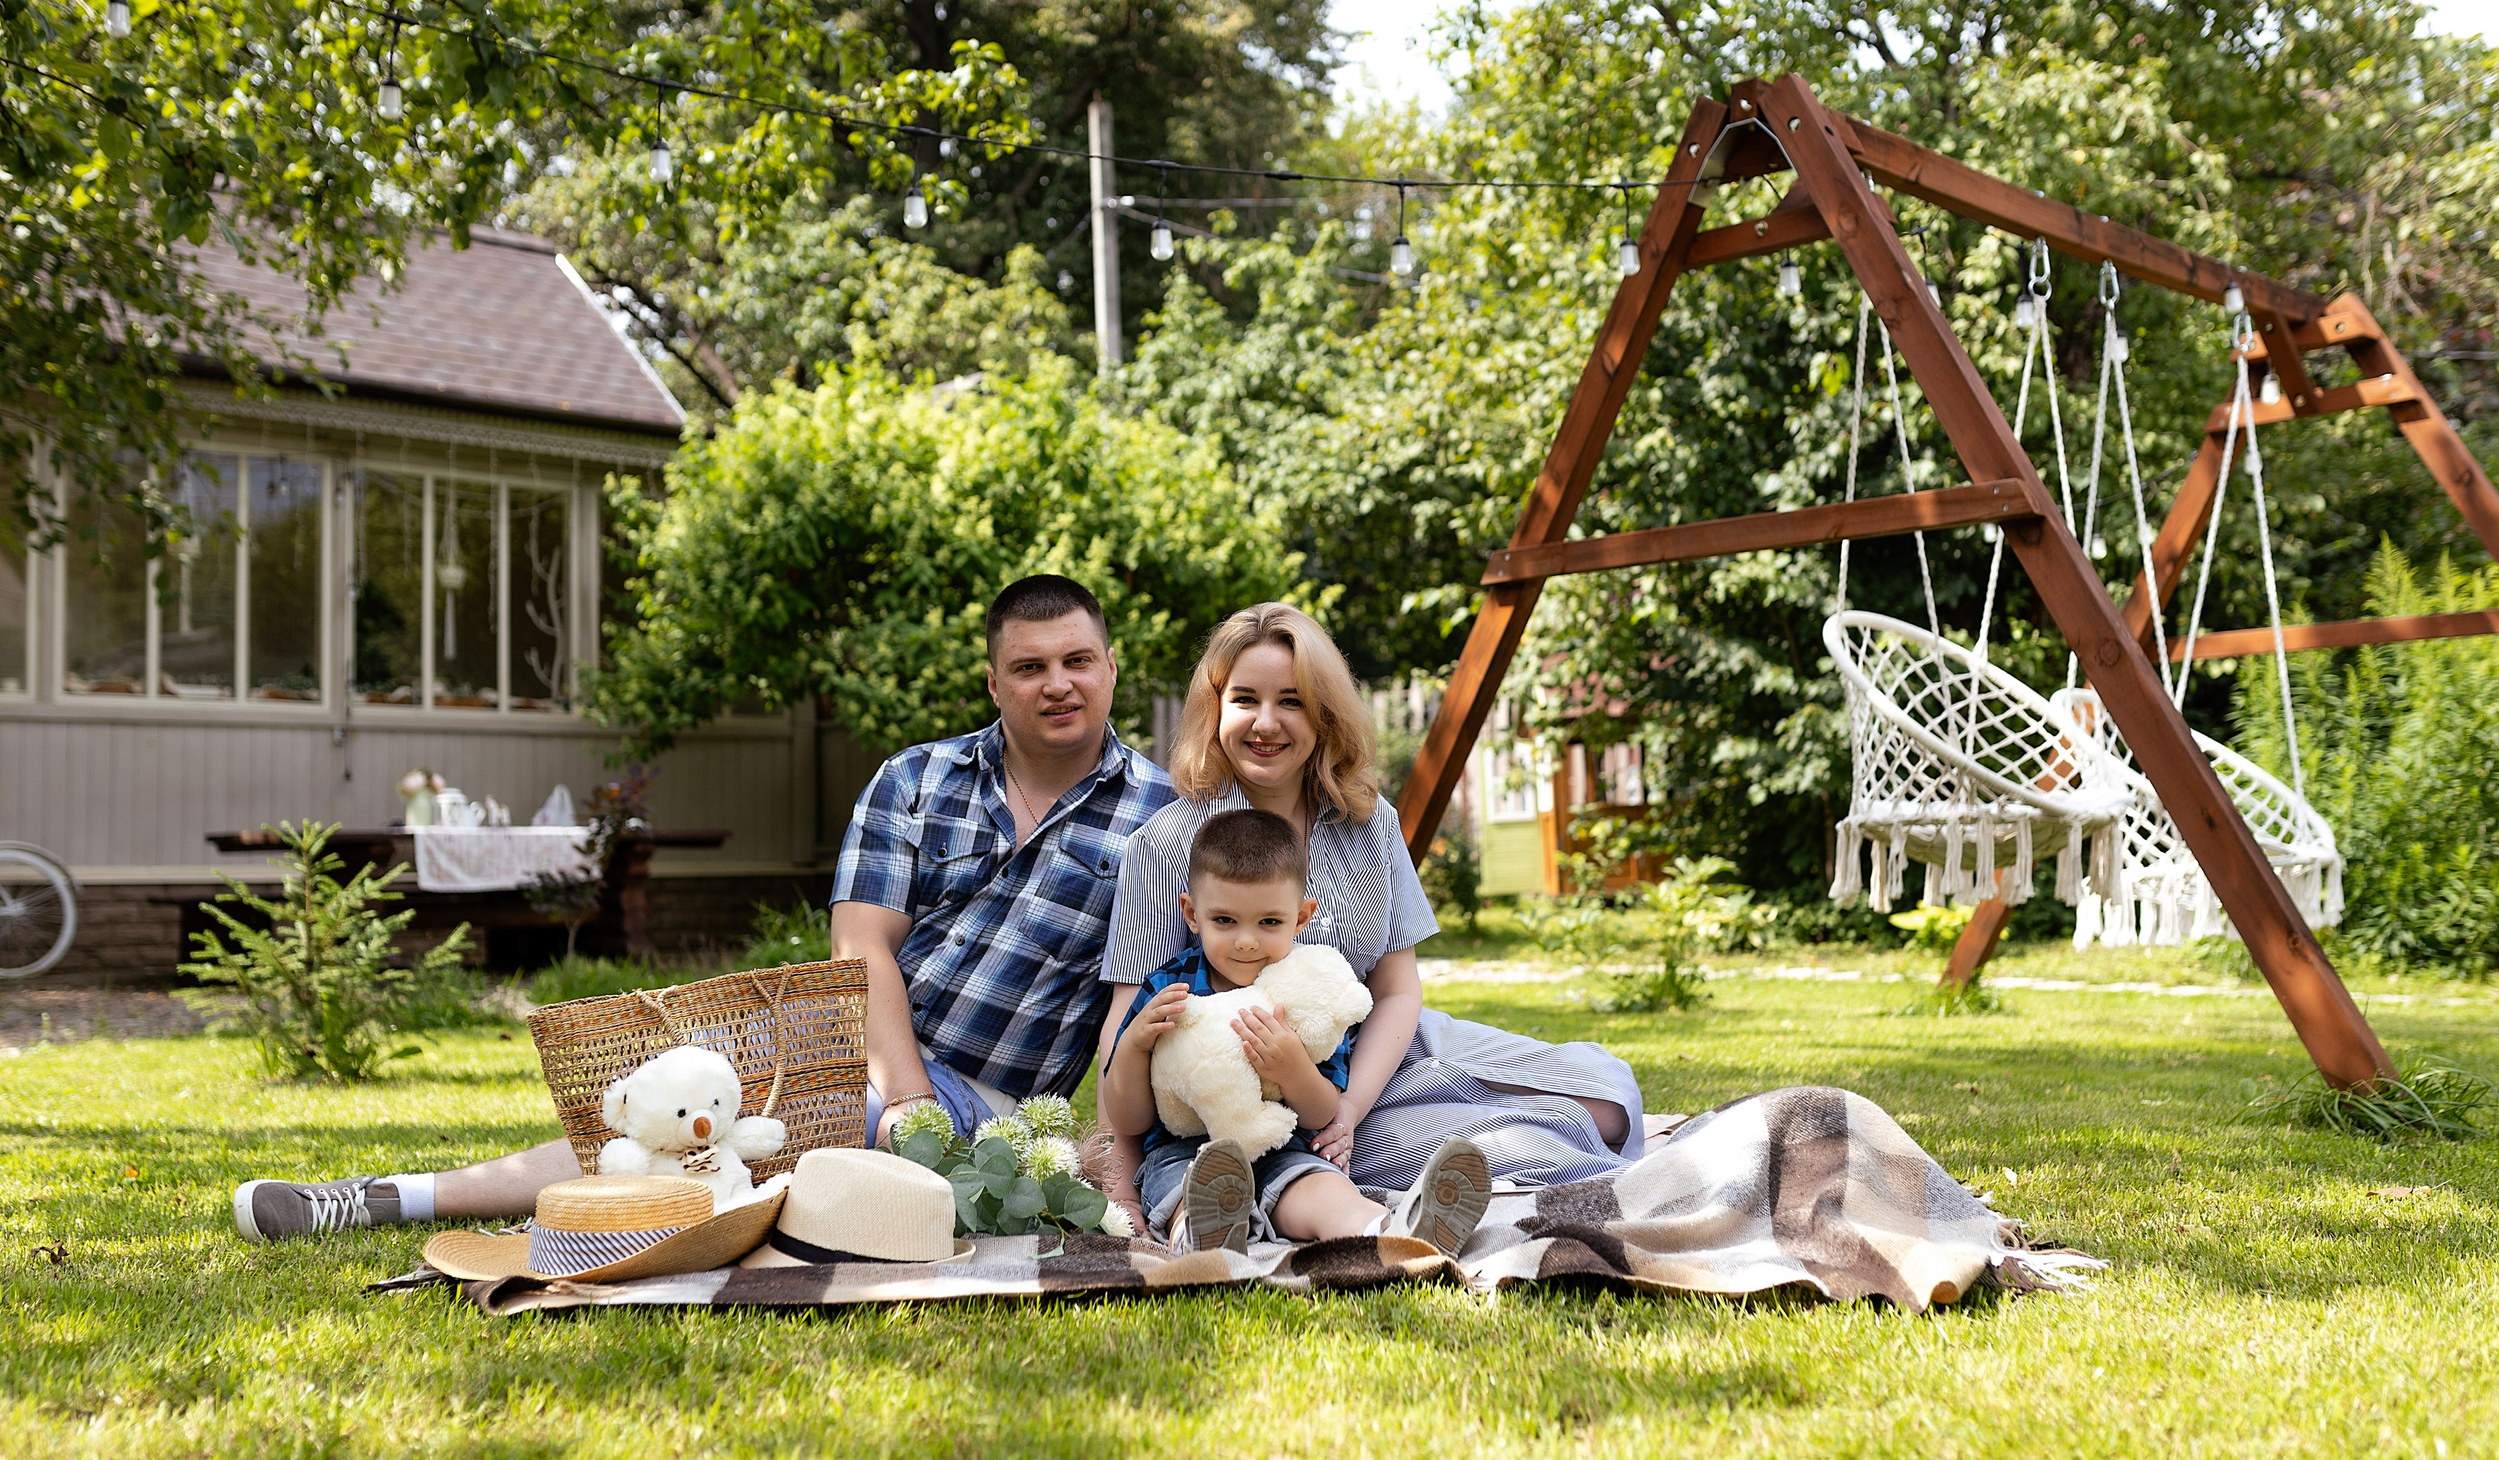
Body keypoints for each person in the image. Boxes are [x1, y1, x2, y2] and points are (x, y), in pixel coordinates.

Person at [230, 574, 1174, 1241]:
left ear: (1111, 666)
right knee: (674, 1101)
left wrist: (1090, 1144)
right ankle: (386, 1196)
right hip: (850, 1039)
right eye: (1030, 667)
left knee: (755, 1130)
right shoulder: (917, 778)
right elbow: (860, 948)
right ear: (995, 681)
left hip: (991, 1092)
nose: (1058, 683)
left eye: (1077, 660)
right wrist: (904, 1097)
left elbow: (1132, 1001)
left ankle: (470, 1211)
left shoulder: (1162, 818)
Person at [1100, 602, 1642, 1214]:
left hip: (1389, 1048)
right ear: (1215, 709)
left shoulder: (1368, 820)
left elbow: (1397, 990)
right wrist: (1122, 1185)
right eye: (1245, 699)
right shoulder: (1164, 844)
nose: (1266, 723)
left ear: (1324, 713)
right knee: (1538, 1146)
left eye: (1292, 701)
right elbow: (1129, 1025)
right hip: (1286, 1097)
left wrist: (1352, 1105)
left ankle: (1470, 1113)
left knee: (1609, 1101)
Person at [1099, 807, 1493, 1254]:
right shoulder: (1169, 993)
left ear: (1302, 917)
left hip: (1286, 1150)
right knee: (1186, 1190)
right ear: (1192, 913)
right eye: (1224, 920)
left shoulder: (1311, 996)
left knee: (1323, 1191)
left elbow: (1322, 1112)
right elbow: (1130, 1120)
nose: (1246, 941)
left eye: (1269, 922)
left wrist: (1293, 1068)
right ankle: (1204, 1235)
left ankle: (1394, 1233)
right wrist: (1133, 1046)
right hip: (1184, 1152)